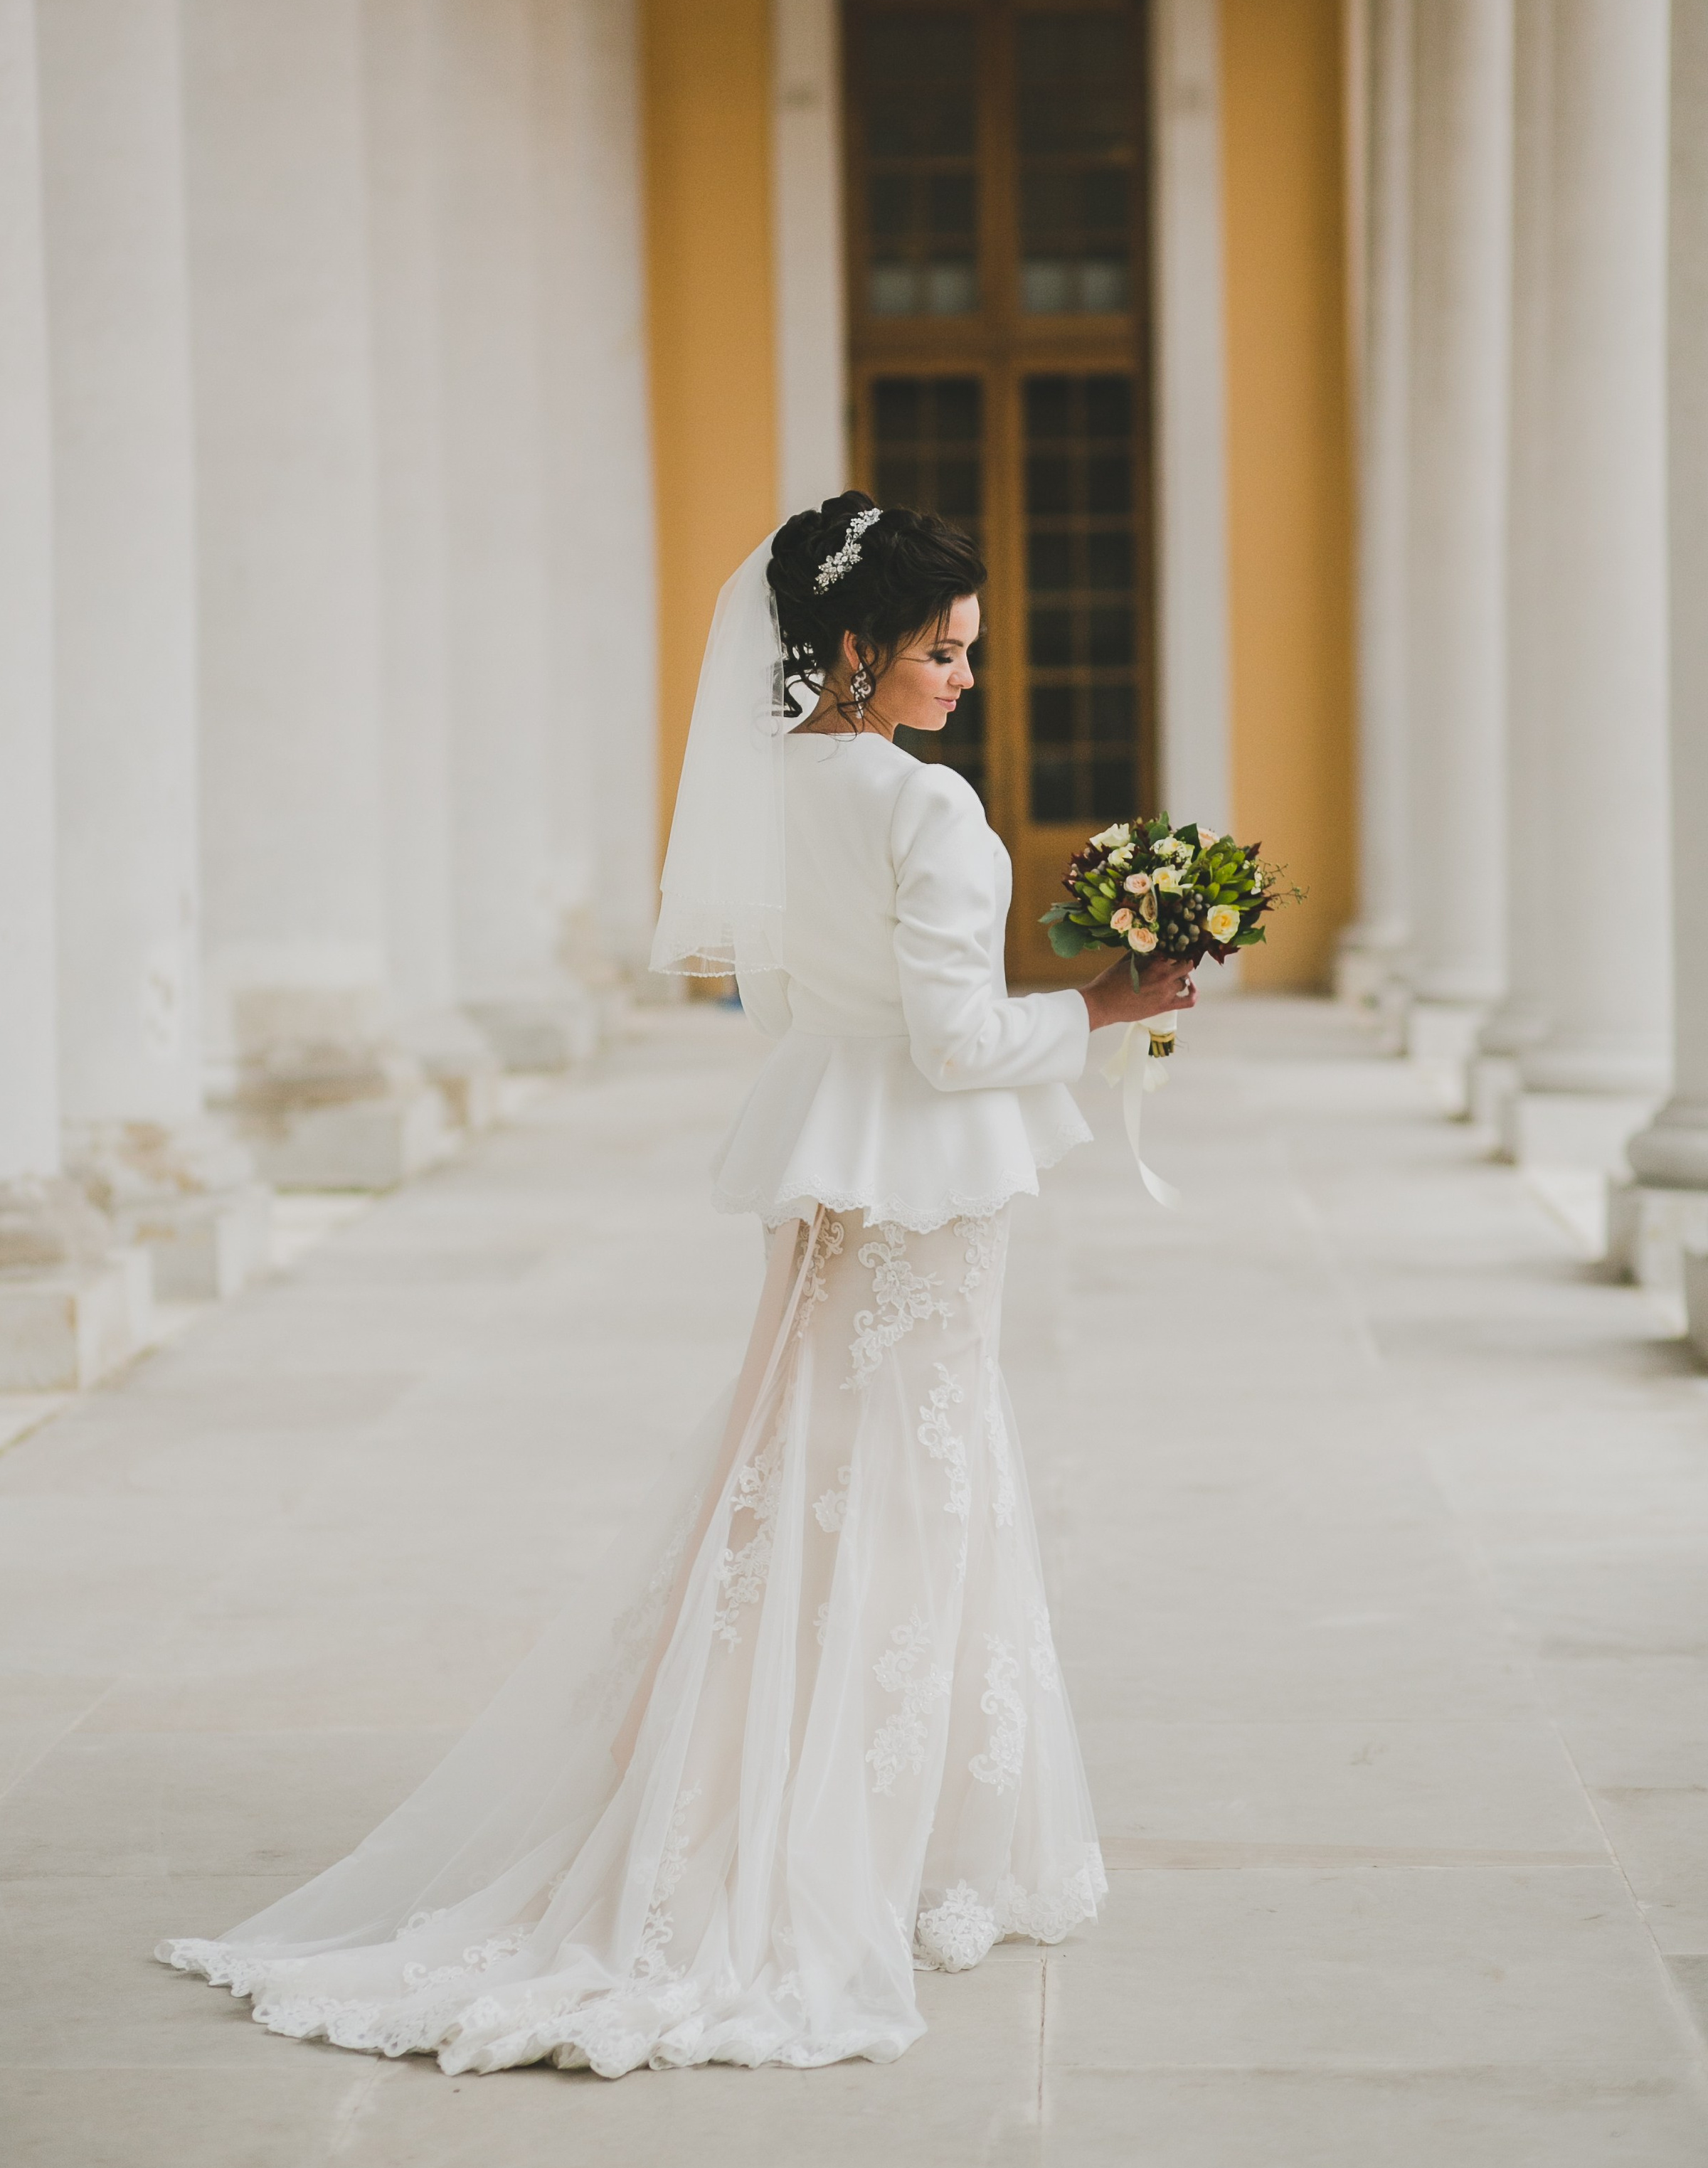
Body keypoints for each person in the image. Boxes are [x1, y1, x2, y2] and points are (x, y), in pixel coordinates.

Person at [157, 492, 1194, 2075]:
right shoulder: (929, 817)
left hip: (828, 1165)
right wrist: (1108, 1005)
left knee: (815, 1470)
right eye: (939, 650)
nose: (962, 678)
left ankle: (836, 1810)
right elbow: (957, 1043)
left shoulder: (763, 795)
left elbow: (780, 999)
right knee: (915, 1482)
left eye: (968, 652)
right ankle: (883, 1838)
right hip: (920, 1185)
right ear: (855, 648)